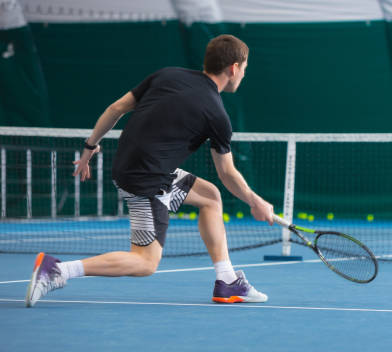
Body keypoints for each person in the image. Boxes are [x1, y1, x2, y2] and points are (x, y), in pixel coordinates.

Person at [25, 34, 274, 307]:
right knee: (145, 262)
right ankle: (58, 270)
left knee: (210, 196)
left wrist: (89, 146)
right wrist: (256, 201)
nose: (243, 75)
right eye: (245, 69)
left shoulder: (168, 75)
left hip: (138, 167)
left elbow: (116, 108)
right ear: (234, 68)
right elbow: (227, 173)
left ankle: (226, 280)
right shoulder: (216, 114)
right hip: (144, 180)